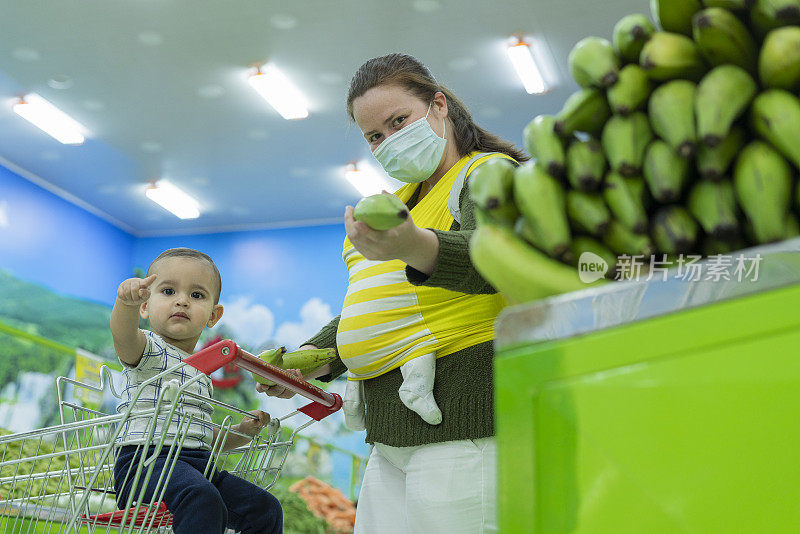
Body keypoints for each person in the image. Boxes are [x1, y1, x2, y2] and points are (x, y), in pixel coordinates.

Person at [258, 53, 528, 533]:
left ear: (438, 106)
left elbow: (502, 264)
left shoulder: (485, 174)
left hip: (463, 424)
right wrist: (304, 360)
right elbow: (377, 306)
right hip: (388, 438)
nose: (388, 141)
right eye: (375, 136)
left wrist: (413, 244)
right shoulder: (396, 204)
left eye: (398, 121)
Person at [111, 247, 282, 534]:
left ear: (213, 315)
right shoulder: (147, 349)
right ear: (145, 306)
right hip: (145, 465)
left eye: (197, 295)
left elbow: (200, 438)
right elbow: (123, 335)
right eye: (167, 291)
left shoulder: (201, 374)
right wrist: (125, 305)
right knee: (202, 497)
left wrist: (240, 431)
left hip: (197, 468)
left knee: (265, 509)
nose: (182, 301)